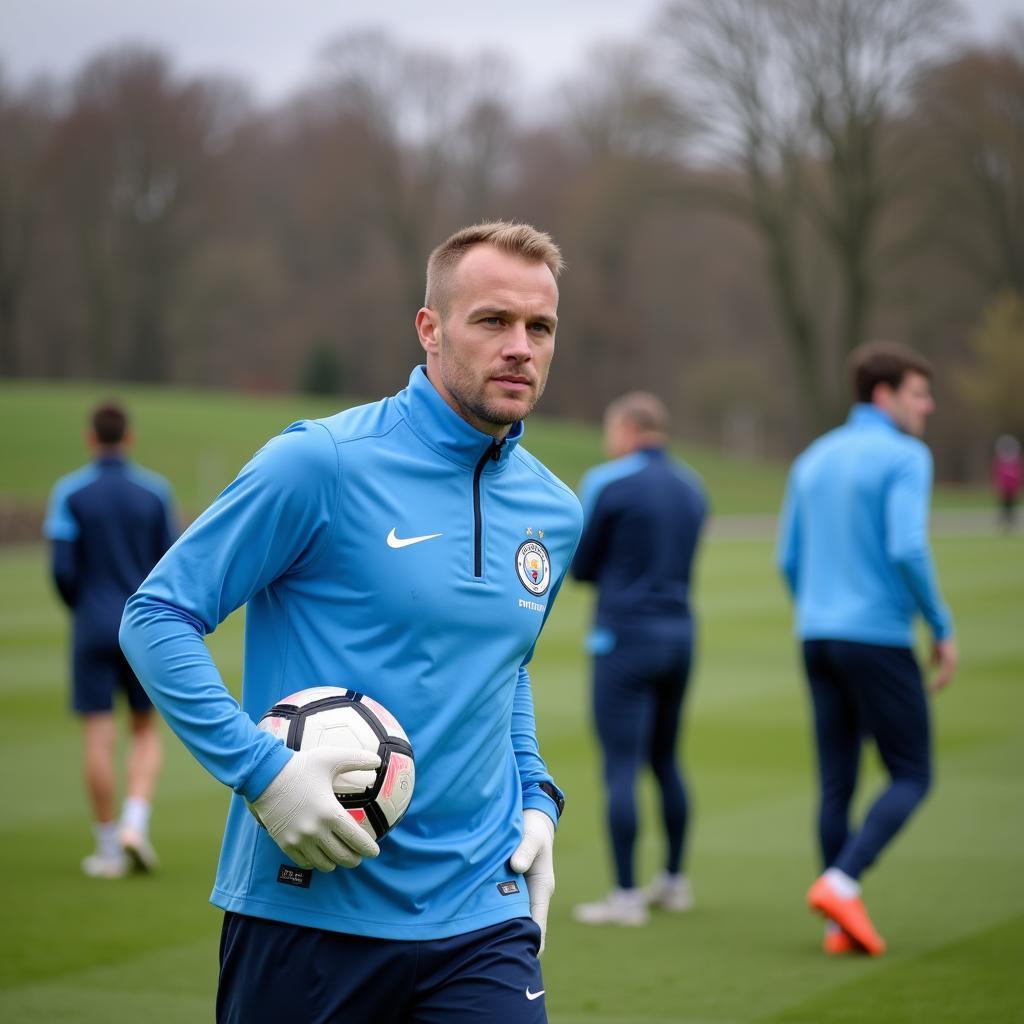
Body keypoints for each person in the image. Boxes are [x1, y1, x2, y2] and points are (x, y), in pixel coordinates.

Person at [120, 222, 581, 1023]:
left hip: (481, 916)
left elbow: (502, 666)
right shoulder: (320, 464)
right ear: (430, 330)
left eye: (538, 327)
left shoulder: (554, 510)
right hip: (308, 912)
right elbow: (155, 615)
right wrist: (261, 772)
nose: (520, 347)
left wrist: (536, 793)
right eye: (492, 321)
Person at [776, 341, 958, 957]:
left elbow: (789, 558)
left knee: (836, 784)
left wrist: (819, 607)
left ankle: (838, 925)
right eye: (918, 393)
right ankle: (841, 882)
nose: (927, 406)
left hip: (816, 635)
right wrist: (939, 624)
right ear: (884, 395)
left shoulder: (812, 458)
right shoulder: (906, 456)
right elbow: (907, 547)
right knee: (912, 771)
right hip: (876, 636)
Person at [571, 392, 708, 926]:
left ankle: (625, 895)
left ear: (626, 428)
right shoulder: (693, 485)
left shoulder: (610, 482)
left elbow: (582, 567)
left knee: (621, 767)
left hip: (624, 637)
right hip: (679, 635)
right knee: (667, 760)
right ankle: (674, 881)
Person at [44, 400, 178, 878]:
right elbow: (170, 564)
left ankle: (106, 848)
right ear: (129, 437)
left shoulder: (69, 493)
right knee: (144, 730)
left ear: (90, 437)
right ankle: (135, 826)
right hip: (141, 628)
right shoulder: (154, 492)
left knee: (98, 738)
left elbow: (61, 568)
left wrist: (82, 607)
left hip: (92, 625)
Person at [991, 434, 1023, 532]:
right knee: (1004, 505)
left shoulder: (1016, 461)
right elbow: (997, 475)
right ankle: (1003, 522)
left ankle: (1011, 522)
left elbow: (1020, 474)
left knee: (1012, 505)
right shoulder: (1000, 462)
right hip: (1004, 488)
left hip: (1013, 488)